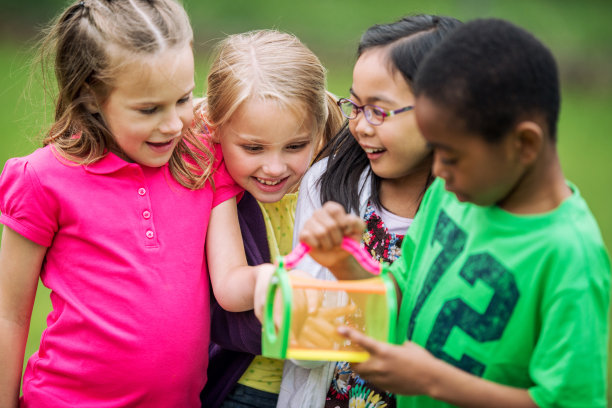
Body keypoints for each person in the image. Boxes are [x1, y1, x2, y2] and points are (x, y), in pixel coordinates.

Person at [295, 18, 610, 408]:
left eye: (451, 155)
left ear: (524, 144)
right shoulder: (449, 193)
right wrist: (345, 264)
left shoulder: (569, 255)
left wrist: (431, 380)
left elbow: (566, 402)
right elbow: (397, 292)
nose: (438, 170)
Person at [0, 1, 263, 407]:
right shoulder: (42, 179)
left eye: (183, 99)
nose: (173, 123)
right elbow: (9, 315)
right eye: (148, 109)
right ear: (90, 96)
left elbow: (289, 111)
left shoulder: (200, 156)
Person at [272, 15, 462, 408]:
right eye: (354, 105)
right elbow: (301, 343)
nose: (359, 126)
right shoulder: (328, 185)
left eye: (378, 110)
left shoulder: (467, 206)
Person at [198, 30, 344, 408]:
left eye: (295, 146)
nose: (275, 167)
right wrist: (272, 281)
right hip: (250, 388)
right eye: (253, 148)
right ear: (215, 131)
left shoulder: (331, 179)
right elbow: (230, 289)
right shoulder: (219, 190)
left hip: (322, 387)